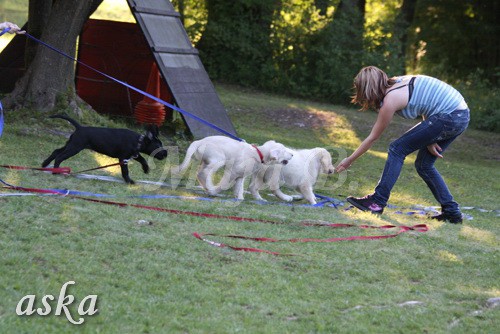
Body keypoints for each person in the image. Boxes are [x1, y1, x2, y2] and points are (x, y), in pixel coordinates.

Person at [336, 66, 470, 224]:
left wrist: (349, 160)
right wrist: (431, 138)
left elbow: (373, 137)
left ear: (368, 89)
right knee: (424, 165)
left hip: (450, 116)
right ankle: (451, 212)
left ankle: (377, 202)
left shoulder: (390, 100)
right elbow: (427, 103)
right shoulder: (398, 82)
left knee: (396, 149)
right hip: (459, 115)